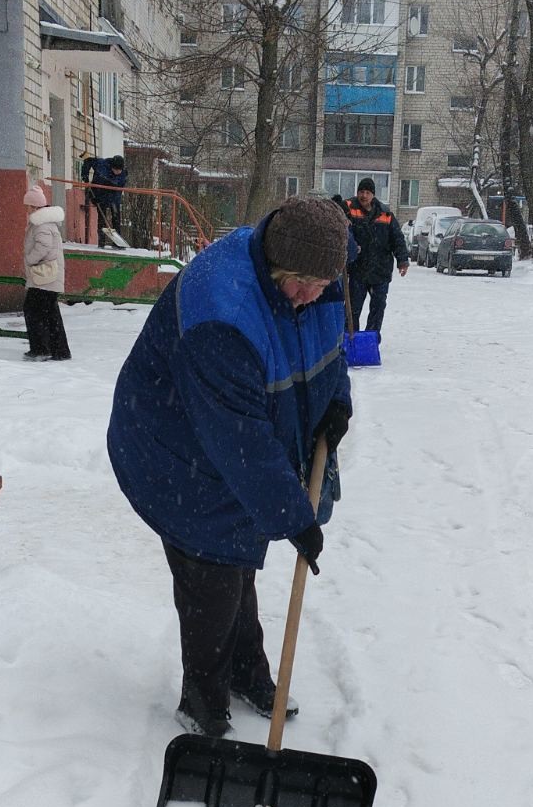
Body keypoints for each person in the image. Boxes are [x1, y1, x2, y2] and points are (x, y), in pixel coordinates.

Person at [107, 195, 352, 738]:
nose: (311, 296)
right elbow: (239, 440)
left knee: (237, 566)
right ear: (274, 267)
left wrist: (337, 401)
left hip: (233, 450)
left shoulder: (320, 278)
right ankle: (203, 701)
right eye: (300, 284)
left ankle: (246, 673)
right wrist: (295, 519)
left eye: (320, 284)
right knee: (211, 576)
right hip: (176, 454)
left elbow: (326, 348)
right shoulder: (222, 312)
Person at [344, 177, 409, 341]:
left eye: (367, 192)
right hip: (358, 270)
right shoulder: (349, 209)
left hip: (380, 271)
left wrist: (402, 261)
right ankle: (351, 339)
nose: (363, 196)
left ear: (373, 195)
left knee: (378, 308)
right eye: (361, 192)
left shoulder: (385, 214)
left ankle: (370, 340)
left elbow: (397, 239)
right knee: (352, 310)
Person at [22, 184, 71, 361]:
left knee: (33, 310)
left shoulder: (41, 224)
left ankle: (41, 349)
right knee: (50, 313)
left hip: (44, 277)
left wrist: (29, 259)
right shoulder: (45, 223)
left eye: (28, 206)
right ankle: (59, 350)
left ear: (34, 207)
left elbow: (43, 246)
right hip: (49, 277)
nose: (26, 210)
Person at [81, 153, 127, 245]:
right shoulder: (101, 164)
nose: (117, 172)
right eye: (116, 169)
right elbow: (88, 161)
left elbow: (118, 190)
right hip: (99, 195)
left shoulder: (124, 175)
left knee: (116, 218)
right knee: (102, 219)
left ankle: (117, 243)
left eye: (119, 170)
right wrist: (85, 175)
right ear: (112, 167)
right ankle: (101, 241)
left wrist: (113, 200)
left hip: (114, 197)